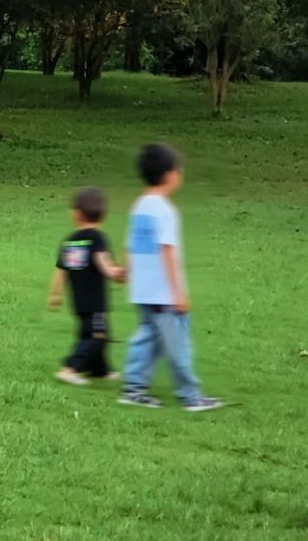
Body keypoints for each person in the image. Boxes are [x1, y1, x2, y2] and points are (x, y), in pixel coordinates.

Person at [120, 141, 223, 412]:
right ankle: (191, 396)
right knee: (177, 345)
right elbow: (167, 252)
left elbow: (131, 245)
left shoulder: (140, 206)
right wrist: (177, 293)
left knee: (147, 338)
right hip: (162, 293)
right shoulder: (165, 211)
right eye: (179, 171)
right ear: (169, 174)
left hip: (142, 290)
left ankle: (133, 388)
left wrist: (126, 271)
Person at [47, 186, 124, 386]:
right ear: (103, 216)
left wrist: (55, 295)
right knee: (98, 336)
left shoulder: (71, 242)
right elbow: (102, 261)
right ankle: (70, 368)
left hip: (79, 301)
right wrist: (114, 272)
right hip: (95, 301)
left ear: (76, 214)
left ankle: (100, 370)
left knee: (89, 334)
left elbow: (61, 270)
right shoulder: (97, 238)